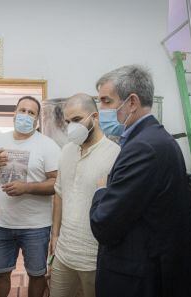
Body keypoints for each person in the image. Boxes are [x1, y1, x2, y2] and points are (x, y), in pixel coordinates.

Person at [90, 65, 191, 297]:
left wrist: (102, 191)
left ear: (131, 102)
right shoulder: (153, 138)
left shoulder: (143, 148)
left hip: (139, 278)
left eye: (106, 101)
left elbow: (104, 225)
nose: (100, 110)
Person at [0, 96, 61, 297]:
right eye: (22, 110)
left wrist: (27, 188)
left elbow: (57, 184)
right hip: (3, 225)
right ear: (14, 113)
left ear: (37, 119)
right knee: (0, 275)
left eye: (31, 113)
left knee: (37, 276)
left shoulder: (47, 145)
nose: (25, 115)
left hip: (36, 227)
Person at [50, 94, 120, 297]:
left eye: (77, 120)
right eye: (68, 121)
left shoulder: (115, 154)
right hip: (63, 253)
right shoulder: (66, 151)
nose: (72, 126)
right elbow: (59, 193)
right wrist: (54, 235)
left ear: (95, 117)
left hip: (94, 258)